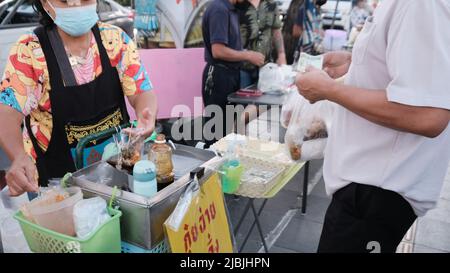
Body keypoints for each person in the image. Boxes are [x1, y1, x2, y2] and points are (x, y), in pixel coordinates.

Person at [296, 0, 450, 253]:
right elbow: (405, 75)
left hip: (376, 192)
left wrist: (329, 90)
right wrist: (356, 65)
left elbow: (428, 115)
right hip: (369, 188)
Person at [0, 0, 157, 196]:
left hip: (116, 176)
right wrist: (18, 157)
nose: (75, 3)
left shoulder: (115, 40)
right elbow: (6, 114)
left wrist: (145, 114)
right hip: (57, 188)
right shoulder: (30, 51)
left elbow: (142, 91)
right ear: (45, 4)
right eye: (64, 0)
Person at [201, 0, 265, 143]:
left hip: (231, 75)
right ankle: (212, 162)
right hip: (219, 76)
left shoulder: (231, 10)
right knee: (217, 133)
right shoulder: (219, 9)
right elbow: (218, 51)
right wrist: (248, 55)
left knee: (228, 130)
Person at [237, 0, 286, 88]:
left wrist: (281, 54)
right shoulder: (237, 4)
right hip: (242, 67)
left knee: (267, 99)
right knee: (242, 100)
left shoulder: (271, 5)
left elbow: (276, 31)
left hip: (266, 66)